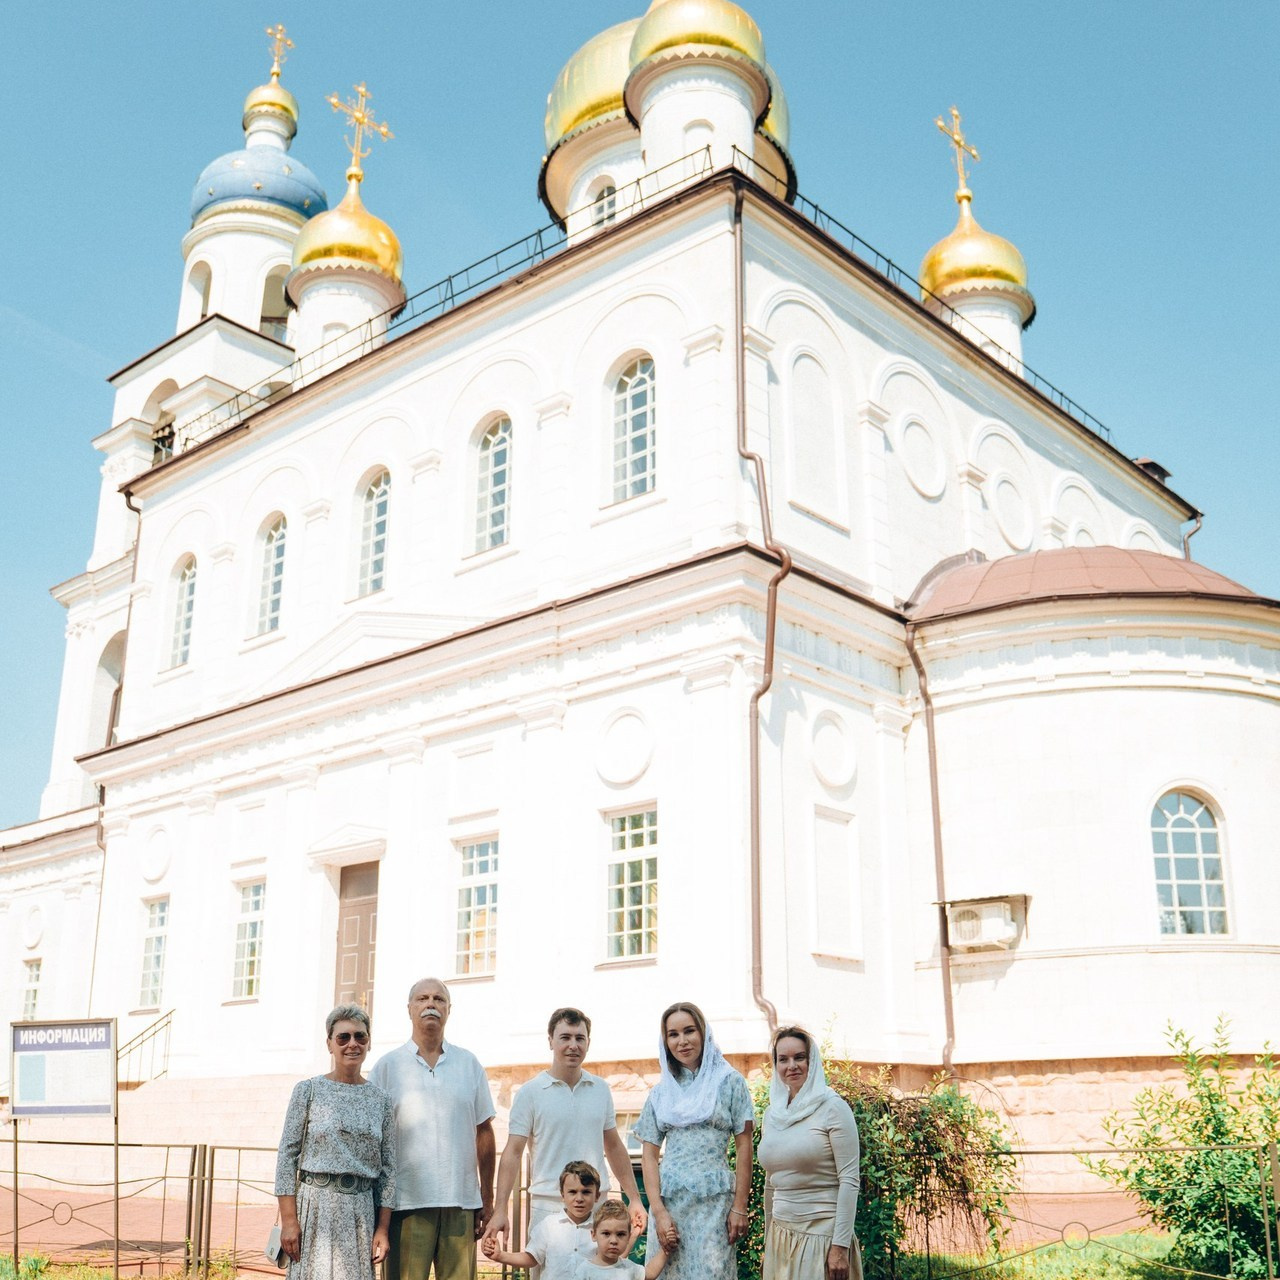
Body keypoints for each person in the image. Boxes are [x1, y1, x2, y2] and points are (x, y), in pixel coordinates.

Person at [486, 1007, 646, 1261]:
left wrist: (635, 1199)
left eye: (580, 1038)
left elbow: (614, 1146)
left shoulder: (600, 1089)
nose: (573, 1045)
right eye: (565, 1037)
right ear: (550, 1040)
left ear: (588, 1043)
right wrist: (500, 1209)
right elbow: (513, 1153)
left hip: (596, 1211)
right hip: (548, 1209)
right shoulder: (530, 1093)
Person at [368, 977, 496, 1280]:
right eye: (422, 998)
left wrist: (486, 1197)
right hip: (405, 1204)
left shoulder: (469, 1064)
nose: (431, 1004)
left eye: (439, 999)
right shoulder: (387, 1067)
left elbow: (484, 1132)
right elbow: (372, 1140)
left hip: (460, 1204)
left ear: (449, 1009)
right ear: (409, 1008)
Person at [274, 1004, 396, 1280]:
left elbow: (388, 1169)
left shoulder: (382, 1101)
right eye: (343, 1037)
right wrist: (289, 1220)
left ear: (368, 1043)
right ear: (329, 1044)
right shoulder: (308, 1091)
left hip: (360, 1214)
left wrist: (382, 1229)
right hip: (315, 1210)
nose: (352, 1044)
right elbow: (287, 1157)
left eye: (360, 1036)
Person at [635, 1001, 754, 1280]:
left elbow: (745, 1146)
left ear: (703, 1032)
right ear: (665, 1041)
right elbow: (649, 1156)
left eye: (689, 1031)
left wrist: (740, 1206)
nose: (682, 1041)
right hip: (670, 1207)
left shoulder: (730, 1082)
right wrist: (659, 1213)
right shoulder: (660, 1093)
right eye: (673, 1034)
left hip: (714, 1206)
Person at [757, 1026, 861, 1280]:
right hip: (781, 1237)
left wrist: (840, 1246)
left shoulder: (833, 1108)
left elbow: (849, 1180)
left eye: (799, 1057)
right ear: (776, 1065)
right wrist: (768, 1240)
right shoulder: (772, 1115)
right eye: (783, 1059)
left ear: (812, 1062)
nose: (791, 1066)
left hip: (822, 1238)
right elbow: (771, 1183)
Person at [482, 1159, 600, 1278]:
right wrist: (500, 1255)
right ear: (562, 1195)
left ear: (597, 1196)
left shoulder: (602, 1228)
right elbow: (531, 1258)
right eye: (572, 1192)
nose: (579, 1199)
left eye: (586, 1192)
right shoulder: (549, 1226)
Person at [570, 1200, 670, 1278]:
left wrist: (666, 1248)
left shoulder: (629, 1268)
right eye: (606, 1233)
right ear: (594, 1235)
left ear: (628, 1237)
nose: (614, 1241)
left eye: (620, 1234)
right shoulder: (585, 1271)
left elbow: (650, 1273)